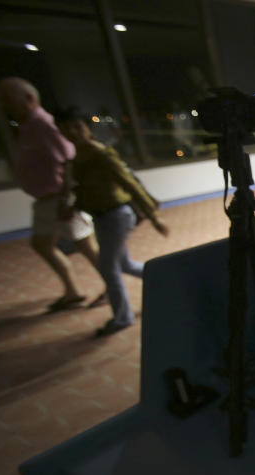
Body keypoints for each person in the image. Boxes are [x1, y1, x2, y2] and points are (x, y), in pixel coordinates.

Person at [55, 108, 170, 336]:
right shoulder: (77, 159)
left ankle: (122, 318)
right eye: (67, 128)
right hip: (101, 216)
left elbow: (129, 183)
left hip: (116, 215)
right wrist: (73, 206)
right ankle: (165, 280)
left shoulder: (101, 154)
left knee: (109, 268)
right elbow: (85, 191)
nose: (73, 132)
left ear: (87, 128)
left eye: (77, 126)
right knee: (123, 264)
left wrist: (154, 217)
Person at [0, 77, 103, 312]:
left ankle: (111, 287)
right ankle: (72, 291)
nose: (4, 104)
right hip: (45, 201)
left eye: (8, 99)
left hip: (60, 200)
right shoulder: (28, 126)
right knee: (42, 244)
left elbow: (68, 160)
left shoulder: (45, 125)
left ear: (29, 98)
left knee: (87, 246)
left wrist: (67, 200)